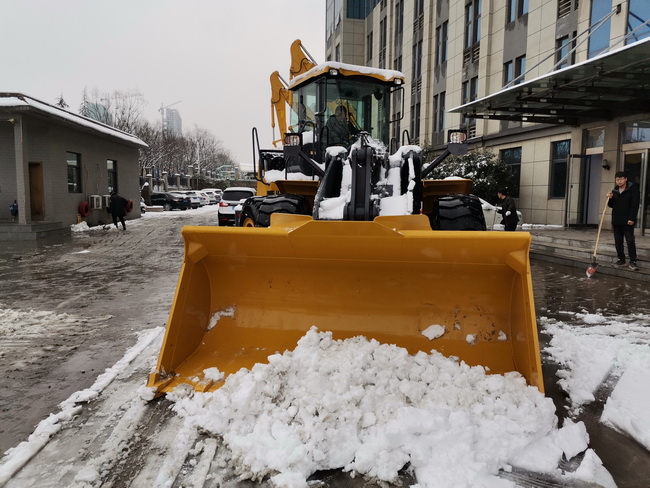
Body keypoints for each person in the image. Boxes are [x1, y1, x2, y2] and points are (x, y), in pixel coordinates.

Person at [607, 171, 640, 270]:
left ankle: (633, 261)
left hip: (627, 220)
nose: (619, 181)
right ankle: (621, 259)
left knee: (630, 241)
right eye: (617, 179)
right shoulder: (615, 191)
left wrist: (631, 218)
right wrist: (610, 198)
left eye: (621, 179)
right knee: (618, 241)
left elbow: (635, 206)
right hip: (616, 220)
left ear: (626, 179)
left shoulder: (633, 190)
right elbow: (611, 205)